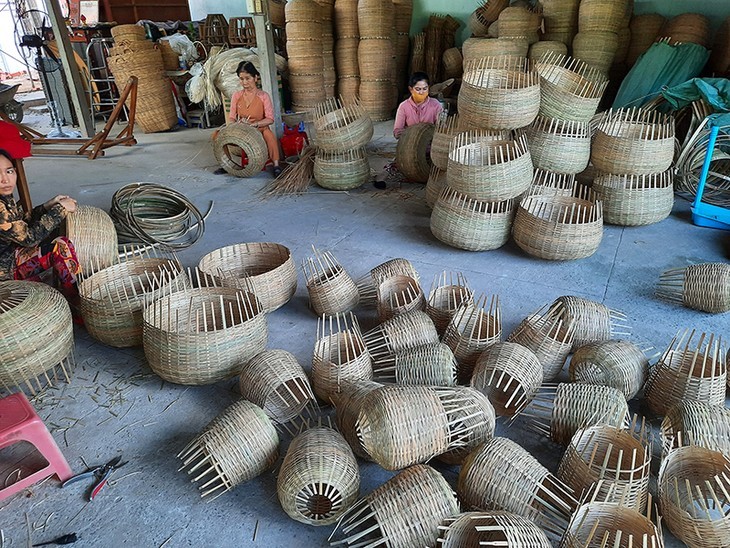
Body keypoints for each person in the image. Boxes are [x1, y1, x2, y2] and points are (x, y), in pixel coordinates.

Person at [0, 148, 81, 303]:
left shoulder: (4, 196)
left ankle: (55, 284)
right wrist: (61, 209)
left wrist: (49, 205)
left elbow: (23, 224)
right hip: (4, 269)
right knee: (60, 247)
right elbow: (30, 238)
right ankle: (75, 303)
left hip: (11, 252)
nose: (5, 179)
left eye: (9, 171)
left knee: (54, 230)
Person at [375, 72, 443, 189]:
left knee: (438, 170)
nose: (422, 92)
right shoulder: (404, 106)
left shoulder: (435, 105)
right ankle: (381, 178)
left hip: (431, 149)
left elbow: (442, 129)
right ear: (411, 89)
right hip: (410, 149)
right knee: (397, 166)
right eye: (418, 89)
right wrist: (410, 134)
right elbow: (397, 132)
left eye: (425, 89)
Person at [220, 61, 282, 177]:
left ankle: (276, 165)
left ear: (255, 77)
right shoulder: (237, 96)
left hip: (260, 129)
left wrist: (256, 124)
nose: (244, 82)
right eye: (241, 79)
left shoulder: (263, 96)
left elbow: (270, 119)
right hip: (242, 128)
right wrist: (234, 127)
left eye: (247, 78)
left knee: (270, 136)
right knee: (216, 135)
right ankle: (227, 163)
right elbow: (232, 117)